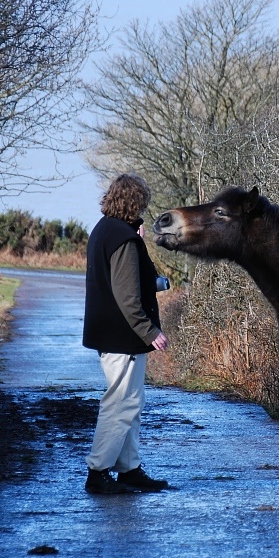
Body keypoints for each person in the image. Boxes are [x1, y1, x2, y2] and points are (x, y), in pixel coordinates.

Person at [82, 173, 170, 494]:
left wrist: (138, 241)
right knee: (120, 403)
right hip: (123, 336)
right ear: (135, 203)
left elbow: (123, 283)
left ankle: (129, 469)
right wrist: (150, 332)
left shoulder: (104, 230)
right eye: (142, 202)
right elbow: (128, 296)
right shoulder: (124, 239)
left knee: (131, 401)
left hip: (111, 334)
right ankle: (98, 472)